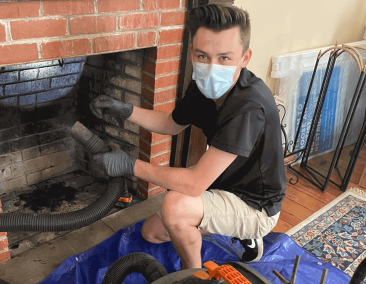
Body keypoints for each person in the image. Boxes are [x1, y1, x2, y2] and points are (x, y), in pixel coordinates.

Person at [89, 4, 286, 270]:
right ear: (192, 51)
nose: (211, 67)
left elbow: (194, 184)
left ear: (245, 58)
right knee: (152, 233)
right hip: (223, 179)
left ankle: (193, 275)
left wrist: (130, 165)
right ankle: (220, 227)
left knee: (175, 206)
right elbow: (171, 123)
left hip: (255, 205)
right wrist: (125, 110)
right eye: (202, 56)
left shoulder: (248, 107)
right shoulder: (202, 85)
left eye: (224, 58)